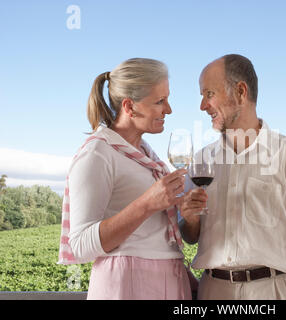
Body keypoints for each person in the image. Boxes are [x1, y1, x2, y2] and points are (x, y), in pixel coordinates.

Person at [179, 54, 286, 300]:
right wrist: (189, 218)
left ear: (240, 92)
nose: (202, 105)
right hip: (213, 291)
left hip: (274, 292)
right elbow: (190, 236)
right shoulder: (201, 161)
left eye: (209, 94)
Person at [57, 58, 196, 300]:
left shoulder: (146, 155)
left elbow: (155, 234)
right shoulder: (98, 154)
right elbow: (79, 245)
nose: (169, 109)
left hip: (168, 278)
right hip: (127, 282)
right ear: (129, 107)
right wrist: (147, 203)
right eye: (160, 101)